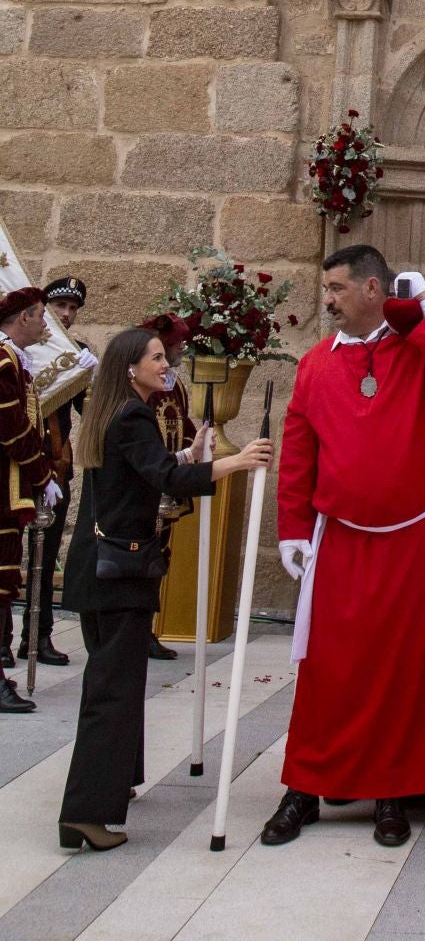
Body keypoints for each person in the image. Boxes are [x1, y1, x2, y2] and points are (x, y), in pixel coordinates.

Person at [264, 247, 425, 850]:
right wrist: (291, 528)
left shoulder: (422, 350)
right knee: (330, 669)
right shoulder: (314, 365)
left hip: (417, 535)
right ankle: (305, 787)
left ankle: (394, 789)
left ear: (372, 288)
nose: (327, 300)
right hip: (343, 538)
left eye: (336, 288)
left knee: (405, 667)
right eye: (325, 288)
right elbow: (299, 453)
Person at [58, 324, 270, 848]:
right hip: (117, 574)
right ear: (131, 366)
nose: (165, 362)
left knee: (115, 682)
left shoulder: (119, 412)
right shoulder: (131, 414)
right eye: (156, 357)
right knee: (114, 692)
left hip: (101, 568)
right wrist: (234, 462)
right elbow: (168, 483)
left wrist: (188, 454)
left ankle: (116, 784)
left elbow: (144, 474)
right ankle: (86, 814)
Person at [15, 277, 95, 670]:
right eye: (59, 306)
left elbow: (90, 413)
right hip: (16, 465)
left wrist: (91, 379)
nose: (66, 314)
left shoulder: (74, 354)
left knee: (44, 559)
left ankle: (39, 635)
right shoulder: (17, 352)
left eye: (72, 309)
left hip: (54, 466)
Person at [0, 288, 59, 713]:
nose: (45, 324)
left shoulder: (14, 362)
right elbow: (14, 430)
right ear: (23, 317)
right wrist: (43, 474)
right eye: (41, 316)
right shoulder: (3, 362)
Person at [136, 311, 196, 661]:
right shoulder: (145, 391)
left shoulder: (175, 385)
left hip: (169, 482)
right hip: (149, 484)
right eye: (175, 345)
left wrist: (192, 446)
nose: (180, 350)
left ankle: (149, 629)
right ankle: (138, 629)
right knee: (143, 558)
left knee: (160, 557)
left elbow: (183, 423)